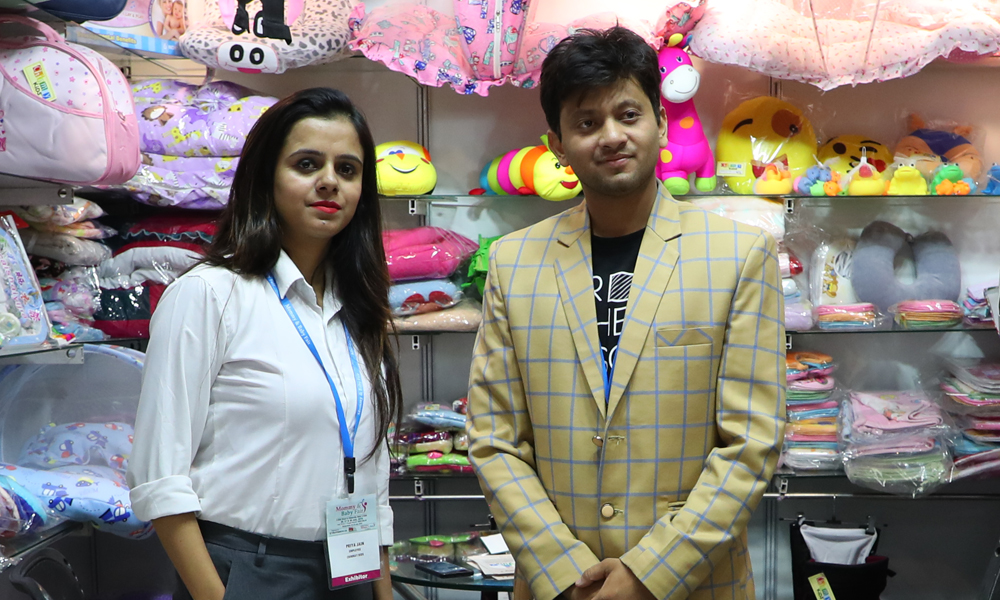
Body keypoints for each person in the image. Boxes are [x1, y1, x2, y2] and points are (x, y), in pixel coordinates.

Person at [466, 27, 785, 600]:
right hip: (560, 588)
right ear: (557, 144)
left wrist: (648, 573)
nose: (612, 136)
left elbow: (751, 442)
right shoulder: (514, 263)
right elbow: (494, 439)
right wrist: (564, 572)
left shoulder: (739, 255)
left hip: (695, 584)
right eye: (587, 122)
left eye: (629, 114)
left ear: (661, 122)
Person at [127, 88, 401, 600]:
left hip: (351, 567)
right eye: (306, 164)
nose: (329, 181)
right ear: (265, 176)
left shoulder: (359, 310)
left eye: (347, 169)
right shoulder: (209, 294)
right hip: (248, 569)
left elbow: (372, 476)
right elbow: (160, 481)